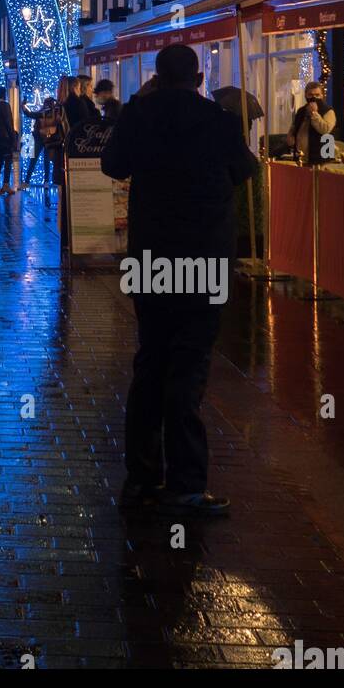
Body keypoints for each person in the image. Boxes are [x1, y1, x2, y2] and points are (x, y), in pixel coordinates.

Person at [101, 44, 258, 518]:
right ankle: (186, 484)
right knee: (188, 368)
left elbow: (112, 165)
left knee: (151, 361)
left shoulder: (139, 115)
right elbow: (244, 170)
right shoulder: (218, 121)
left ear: (156, 76)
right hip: (204, 259)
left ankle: (142, 478)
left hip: (150, 257)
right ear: (198, 76)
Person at [286, 80, 335, 164]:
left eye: (317, 95)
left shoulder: (328, 111)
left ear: (322, 96)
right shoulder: (302, 110)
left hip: (322, 156)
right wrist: (291, 137)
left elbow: (325, 130)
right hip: (301, 156)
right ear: (306, 95)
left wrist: (314, 114)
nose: (314, 98)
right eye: (310, 95)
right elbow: (294, 127)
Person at [21, 96, 60, 188]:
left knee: (33, 160)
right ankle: (46, 182)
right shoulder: (56, 113)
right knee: (46, 161)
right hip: (50, 139)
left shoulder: (42, 112)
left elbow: (30, 114)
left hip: (39, 138)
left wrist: (23, 106)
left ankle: (27, 182)